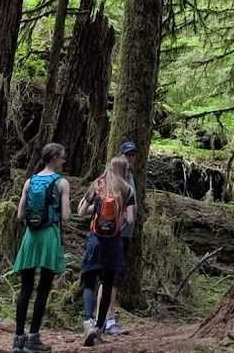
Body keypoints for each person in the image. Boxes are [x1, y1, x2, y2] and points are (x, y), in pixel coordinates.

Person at [12, 142, 70, 352]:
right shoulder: (61, 183)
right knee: (43, 288)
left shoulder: (30, 181)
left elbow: (20, 215)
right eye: (62, 157)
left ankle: (18, 339)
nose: (64, 160)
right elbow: (66, 216)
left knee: (25, 288)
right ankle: (33, 338)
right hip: (49, 236)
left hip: (30, 236)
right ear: (54, 158)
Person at [77, 155, 135, 347]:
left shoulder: (98, 184)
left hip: (95, 240)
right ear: (124, 171)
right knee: (107, 284)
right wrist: (118, 223)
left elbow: (81, 212)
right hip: (114, 243)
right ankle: (100, 327)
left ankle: (88, 321)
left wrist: (96, 208)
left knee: (89, 282)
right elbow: (130, 219)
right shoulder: (127, 189)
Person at [98, 140, 138, 336]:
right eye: (127, 154)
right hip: (115, 235)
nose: (130, 158)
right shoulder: (113, 179)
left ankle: (101, 320)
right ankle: (108, 320)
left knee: (111, 278)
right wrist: (119, 226)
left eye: (133, 155)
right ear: (121, 156)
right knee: (110, 279)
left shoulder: (130, 178)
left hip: (122, 234)